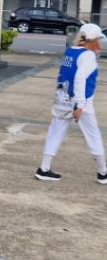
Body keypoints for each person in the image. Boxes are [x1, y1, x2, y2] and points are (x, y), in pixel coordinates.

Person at [37, 23, 107, 184]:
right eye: (99, 39)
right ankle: (103, 173)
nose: (100, 42)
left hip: (62, 99)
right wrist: (80, 105)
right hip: (81, 102)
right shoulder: (88, 56)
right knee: (93, 135)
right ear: (93, 39)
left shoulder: (70, 52)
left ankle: (44, 169)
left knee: (55, 133)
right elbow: (80, 79)